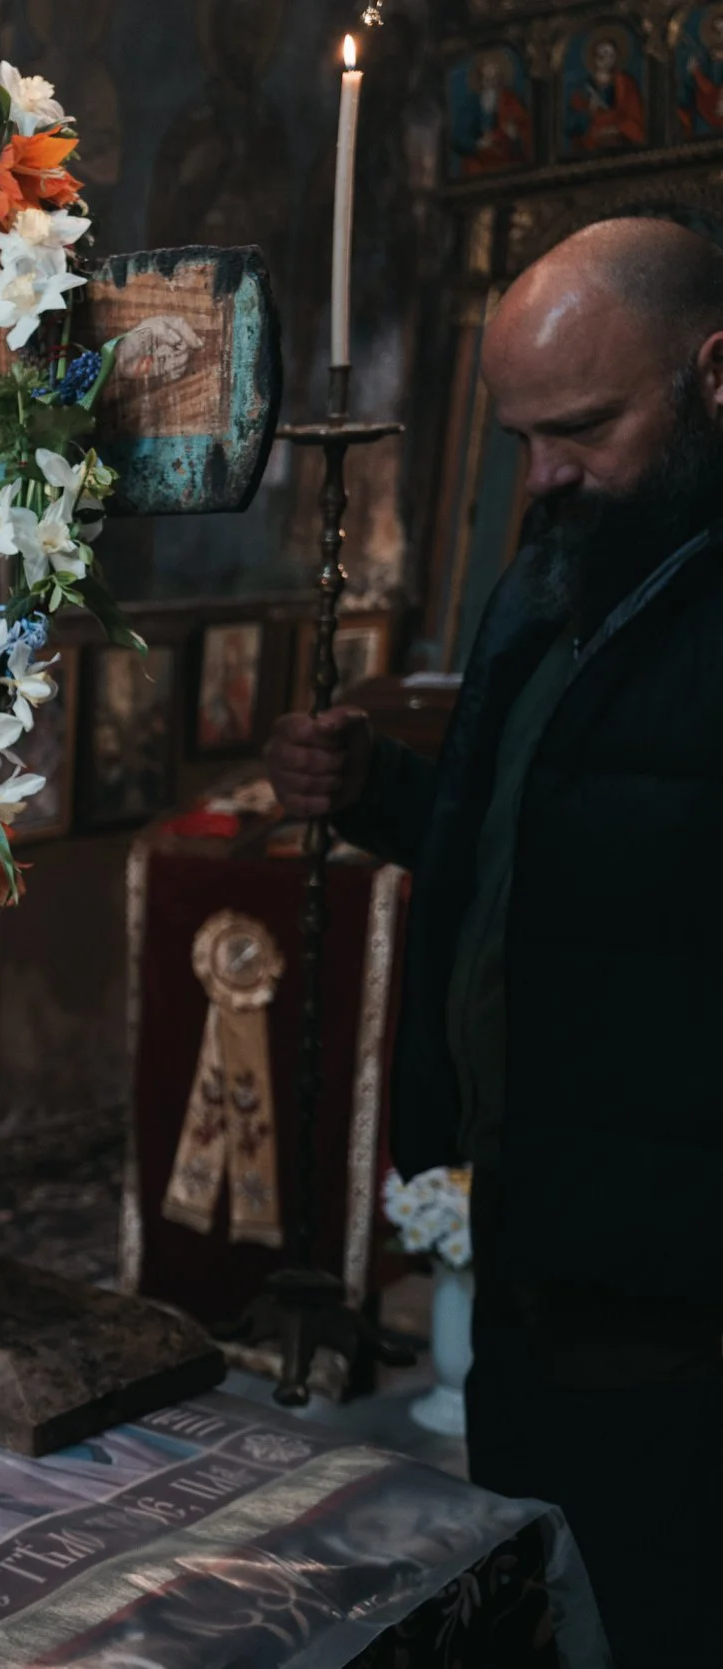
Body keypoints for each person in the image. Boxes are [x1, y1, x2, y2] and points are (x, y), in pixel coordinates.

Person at [265, 216, 723, 1665]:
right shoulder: (559, 560)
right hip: (539, 1234)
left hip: (681, 1293)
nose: (541, 476)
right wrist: (387, 793)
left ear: (716, 373)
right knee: (530, 1602)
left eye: (582, 426)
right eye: (524, 435)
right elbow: (535, 821)